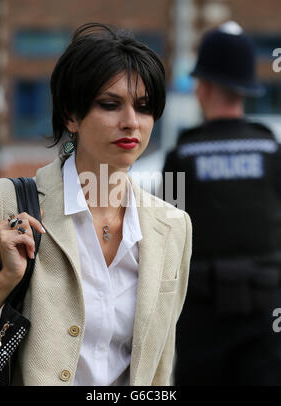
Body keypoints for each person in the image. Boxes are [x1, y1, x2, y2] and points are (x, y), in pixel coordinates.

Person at [0, 23, 192, 386]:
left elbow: (160, 367)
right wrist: (2, 284)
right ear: (70, 116)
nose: (131, 123)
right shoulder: (1, 203)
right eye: (110, 105)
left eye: (144, 108)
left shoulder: (173, 225)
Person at [163, 21, 281, 385]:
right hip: (267, 316)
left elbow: (168, 235)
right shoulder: (272, 151)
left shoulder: (181, 156)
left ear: (204, 86)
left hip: (201, 318)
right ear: (245, 88)